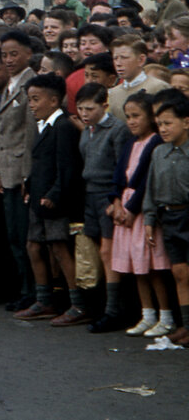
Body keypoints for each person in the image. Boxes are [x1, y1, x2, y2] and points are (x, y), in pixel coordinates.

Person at [13, 74, 87, 326]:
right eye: (29, 99)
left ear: (54, 100)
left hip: (55, 199)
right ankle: (44, 299)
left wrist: (54, 194)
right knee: (33, 246)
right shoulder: (41, 125)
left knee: (59, 248)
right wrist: (30, 187)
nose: (31, 105)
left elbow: (67, 167)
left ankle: (79, 304)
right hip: (37, 197)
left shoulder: (63, 126)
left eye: (36, 99)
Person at [110, 92, 173, 338]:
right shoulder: (130, 143)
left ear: (150, 117)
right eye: (128, 117)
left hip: (140, 208)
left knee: (152, 265)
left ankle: (165, 314)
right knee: (137, 266)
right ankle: (147, 313)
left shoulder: (155, 143)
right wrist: (115, 201)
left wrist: (131, 209)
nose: (132, 121)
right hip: (124, 207)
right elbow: (119, 175)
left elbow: (146, 181)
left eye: (137, 116)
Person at [74, 83, 131, 333]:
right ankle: (102, 304)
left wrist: (116, 198)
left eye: (90, 108)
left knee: (109, 251)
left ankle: (114, 310)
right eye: (81, 108)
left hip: (107, 194)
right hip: (89, 192)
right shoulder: (87, 130)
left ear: (104, 105)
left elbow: (122, 167)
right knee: (96, 250)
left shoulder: (116, 129)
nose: (85, 113)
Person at [0, 30, 38, 310]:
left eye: (14, 54)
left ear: (28, 54)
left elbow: (30, 134)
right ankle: (23, 288)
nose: (8, 60)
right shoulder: (9, 84)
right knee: (12, 234)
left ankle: (32, 291)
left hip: (21, 169)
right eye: (4, 55)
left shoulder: (31, 84)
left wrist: (26, 175)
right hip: (6, 168)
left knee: (23, 235)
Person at [143, 89, 189, 346]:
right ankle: (185, 324)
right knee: (180, 272)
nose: (163, 128)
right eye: (159, 124)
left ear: (186, 121)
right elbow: (151, 190)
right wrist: (150, 220)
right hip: (169, 218)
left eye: (168, 123)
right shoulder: (159, 152)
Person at [108, 34, 170, 121]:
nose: (118, 63)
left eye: (124, 57)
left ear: (141, 60)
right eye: (115, 58)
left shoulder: (159, 87)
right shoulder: (113, 93)